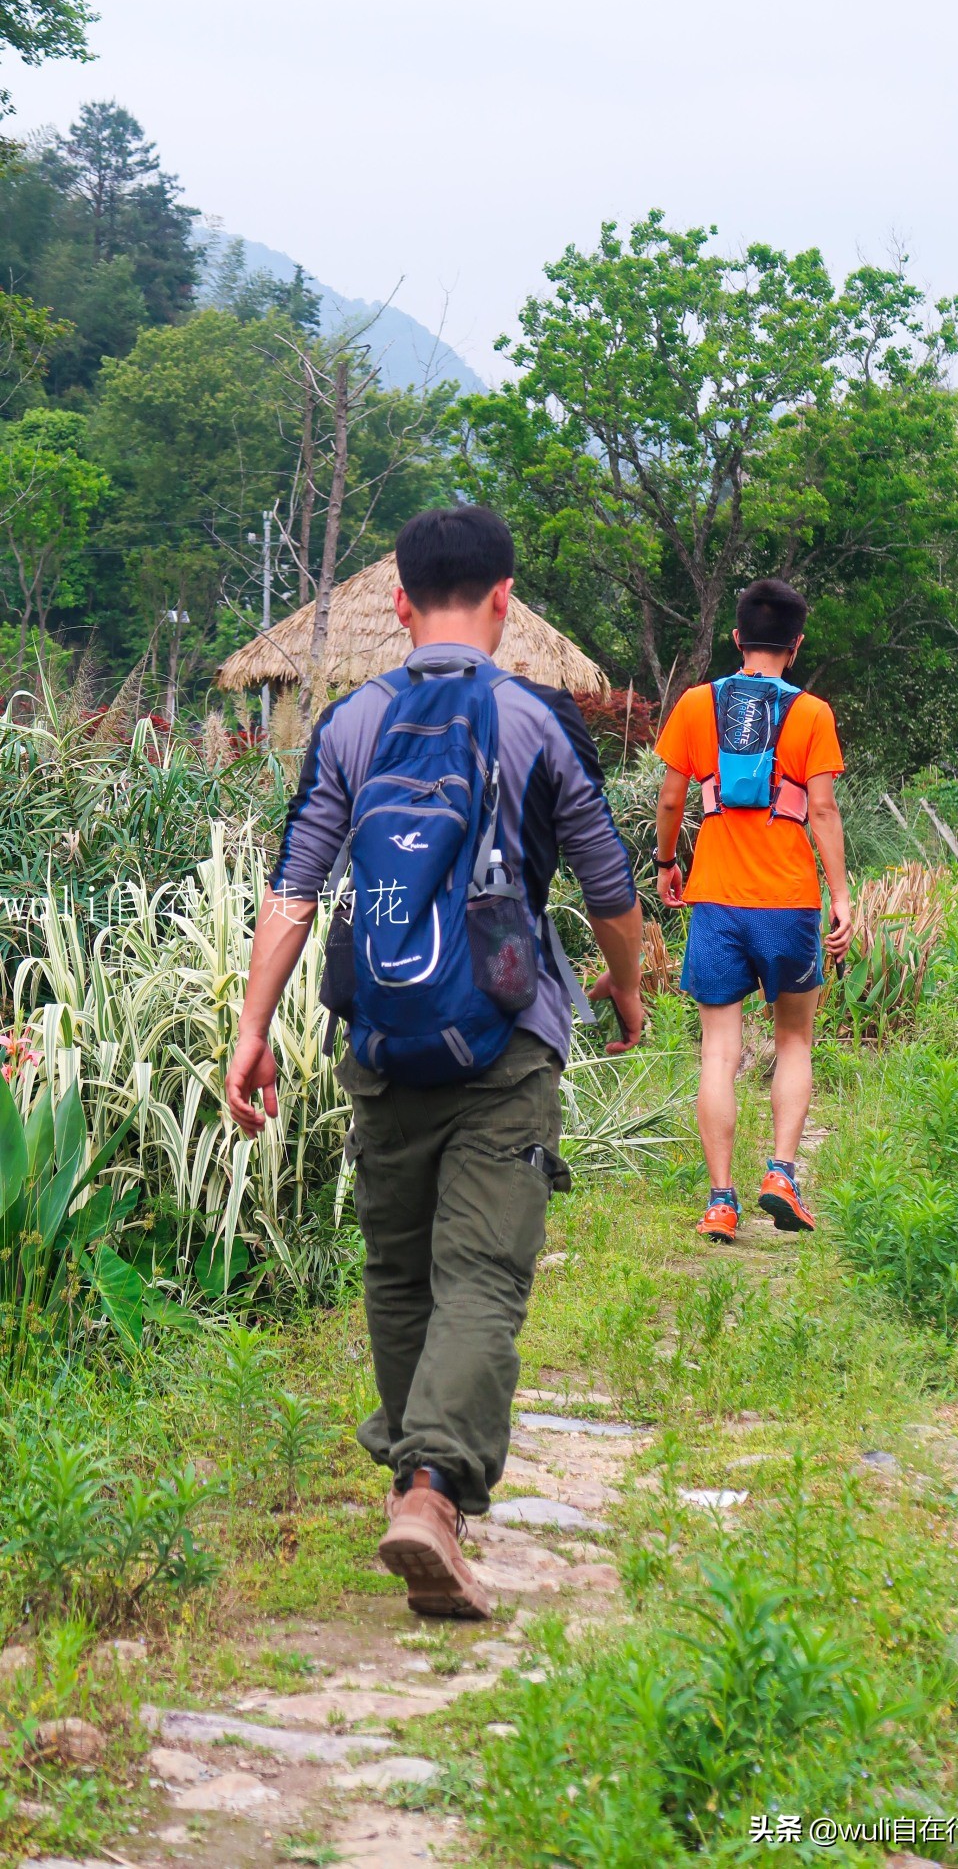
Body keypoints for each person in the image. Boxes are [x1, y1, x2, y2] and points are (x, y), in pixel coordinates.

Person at [225, 505, 643, 1621]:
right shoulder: (537, 720)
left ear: (398, 603)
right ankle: (432, 1487)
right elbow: (610, 887)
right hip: (506, 1037)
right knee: (484, 1276)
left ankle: (421, 1480)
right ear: (505, 599)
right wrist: (627, 987)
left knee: (400, 1270)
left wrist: (252, 1030)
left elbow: (293, 893)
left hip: (383, 1036)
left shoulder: (352, 721)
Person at [653, 578, 852, 1244]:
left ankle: (720, 1201)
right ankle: (781, 1175)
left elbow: (671, 800)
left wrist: (664, 861)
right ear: (795, 645)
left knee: (719, 1052)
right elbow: (821, 808)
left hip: (716, 896)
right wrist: (843, 895)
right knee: (794, 1038)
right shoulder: (813, 714)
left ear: (736, 638)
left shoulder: (694, 705)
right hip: (788, 900)